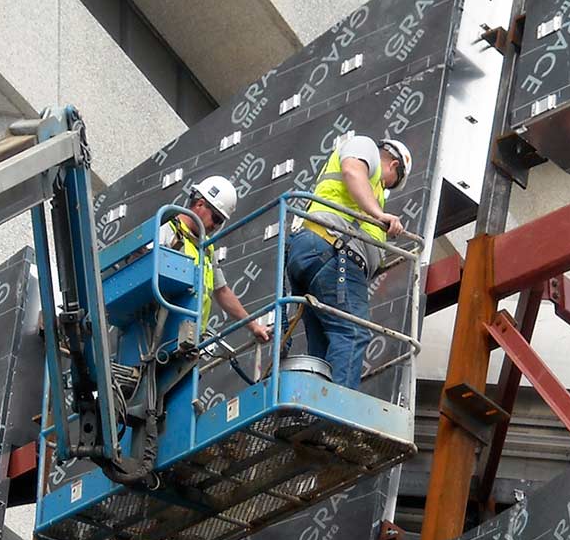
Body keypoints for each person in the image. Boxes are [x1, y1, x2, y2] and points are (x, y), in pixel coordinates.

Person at [285, 135, 412, 388]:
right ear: (394, 166)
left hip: (319, 253)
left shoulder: (369, 186)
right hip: (334, 252)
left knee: (322, 345)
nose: (384, 188)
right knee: (351, 333)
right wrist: (380, 215)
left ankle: (315, 408)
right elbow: (353, 171)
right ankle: (336, 413)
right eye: (390, 183)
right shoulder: (365, 147)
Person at [160, 176, 273, 345]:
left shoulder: (205, 248)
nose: (216, 226)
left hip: (189, 340)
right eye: (216, 218)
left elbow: (222, 291)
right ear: (199, 204)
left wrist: (254, 326)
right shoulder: (167, 230)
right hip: (161, 335)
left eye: (221, 222)